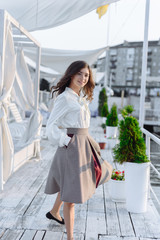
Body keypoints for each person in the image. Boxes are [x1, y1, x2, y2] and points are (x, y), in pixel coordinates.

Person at [44, 60, 112, 240]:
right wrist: (66, 141)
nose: (83, 78)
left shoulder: (79, 97)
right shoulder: (64, 98)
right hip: (72, 149)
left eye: (87, 75)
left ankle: (54, 211)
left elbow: (82, 125)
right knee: (72, 196)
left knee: (71, 184)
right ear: (72, 74)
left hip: (84, 145)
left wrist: (89, 142)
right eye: (80, 74)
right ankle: (70, 238)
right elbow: (50, 126)